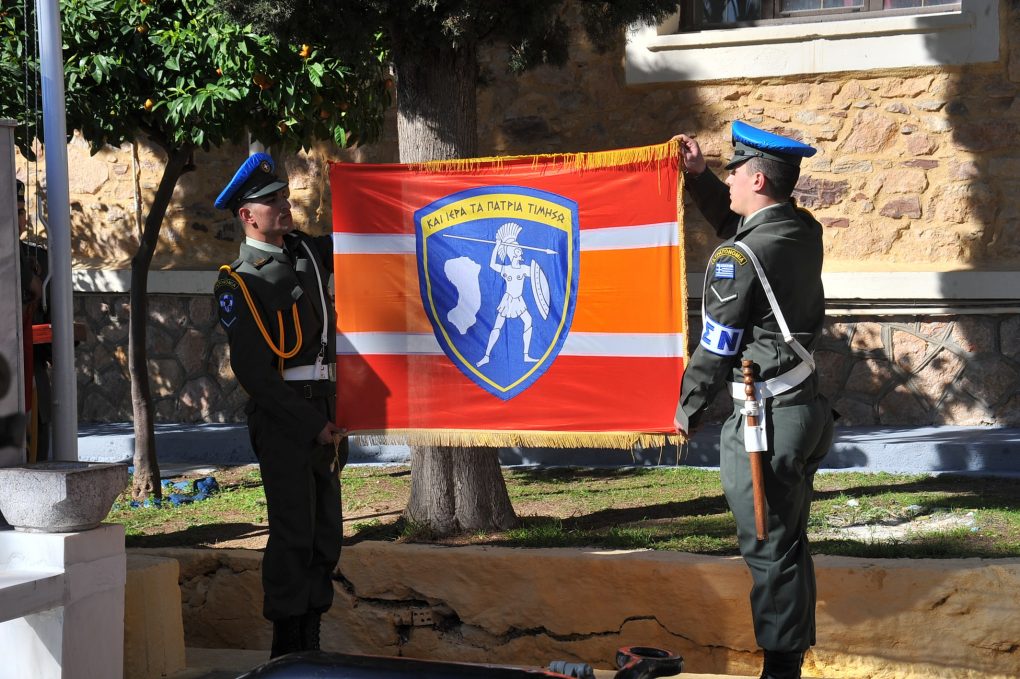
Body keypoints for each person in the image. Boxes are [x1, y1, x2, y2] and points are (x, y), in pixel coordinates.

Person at [672, 122, 833, 679]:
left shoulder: (735, 259)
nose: (732, 180)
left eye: (735, 171)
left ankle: (781, 671)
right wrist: (701, 178)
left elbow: (717, 348)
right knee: (789, 545)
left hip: (766, 422)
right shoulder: (802, 229)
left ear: (758, 179)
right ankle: (792, 658)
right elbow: (746, 233)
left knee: (769, 551)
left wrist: (685, 408)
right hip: (806, 411)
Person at [213, 153, 346, 658]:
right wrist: (312, 424)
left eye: (285, 197)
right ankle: (286, 653)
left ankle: (311, 641)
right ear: (248, 215)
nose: (285, 206)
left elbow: (358, 239)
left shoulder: (305, 251)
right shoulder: (239, 280)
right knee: (293, 535)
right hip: (286, 421)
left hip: (325, 414)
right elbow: (255, 376)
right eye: (273, 202)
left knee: (325, 535)